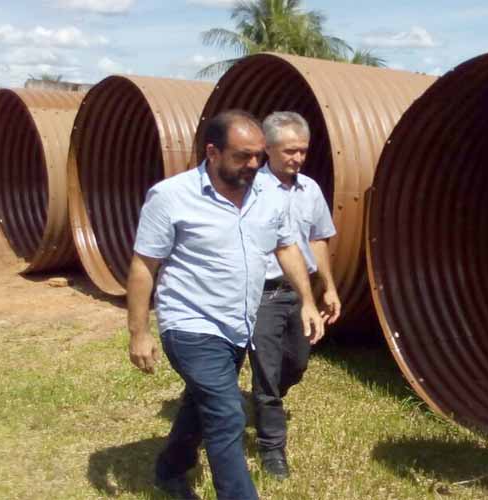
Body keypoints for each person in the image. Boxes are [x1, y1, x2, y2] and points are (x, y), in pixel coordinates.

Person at [126, 110, 324, 500]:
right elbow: (143, 265)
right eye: (242, 156)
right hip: (190, 324)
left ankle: (169, 469)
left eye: (259, 156)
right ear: (213, 152)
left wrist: (307, 301)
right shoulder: (171, 196)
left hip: (238, 324)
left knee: (202, 405)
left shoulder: (269, 195)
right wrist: (139, 332)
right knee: (227, 412)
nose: (253, 165)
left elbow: (287, 247)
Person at [248, 111, 340, 479]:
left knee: (297, 363)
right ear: (267, 149)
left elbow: (317, 239)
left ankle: (265, 402)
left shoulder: (311, 189)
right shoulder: (250, 189)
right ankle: (272, 449)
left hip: (299, 294)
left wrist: (328, 286)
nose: (297, 158)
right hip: (262, 295)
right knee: (267, 373)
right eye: (289, 151)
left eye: (302, 151)